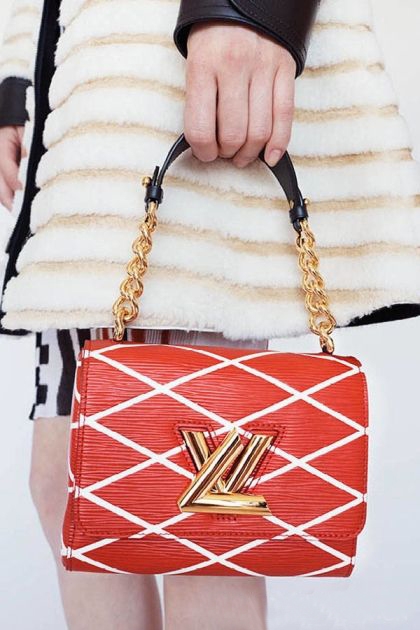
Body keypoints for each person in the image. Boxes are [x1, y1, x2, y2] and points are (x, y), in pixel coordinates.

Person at [0, 1, 419, 628]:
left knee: (209, 517)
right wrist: (18, 84)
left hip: (178, 55)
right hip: (77, 107)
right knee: (66, 478)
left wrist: (243, 8)